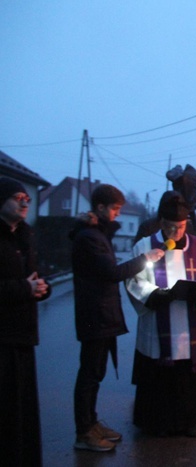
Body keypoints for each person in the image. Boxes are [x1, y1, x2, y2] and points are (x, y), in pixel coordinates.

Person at [70, 184, 165, 451]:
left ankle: (91, 423)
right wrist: (145, 258)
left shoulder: (96, 234)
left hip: (100, 314)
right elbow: (111, 272)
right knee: (89, 374)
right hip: (95, 315)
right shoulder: (90, 237)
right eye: (115, 209)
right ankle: (84, 432)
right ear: (100, 208)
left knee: (95, 372)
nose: (118, 215)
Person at [126, 191, 196, 437]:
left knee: (185, 377)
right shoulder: (145, 245)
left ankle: (187, 421)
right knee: (158, 376)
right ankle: (154, 422)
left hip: (187, 327)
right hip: (157, 325)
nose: (176, 232)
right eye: (170, 227)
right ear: (162, 222)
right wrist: (154, 295)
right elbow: (133, 279)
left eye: (180, 226)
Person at [0, 178, 51, 466]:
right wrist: (25, 289)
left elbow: (33, 277)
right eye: (18, 197)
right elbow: (20, 284)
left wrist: (43, 288)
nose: (24, 202)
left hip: (23, 337)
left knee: (21, 412)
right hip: (3, 338)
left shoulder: (23, 236)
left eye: (27, 199)